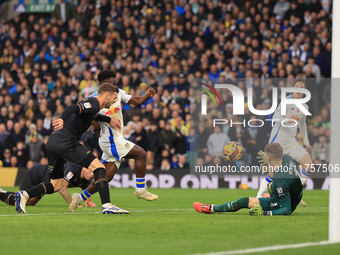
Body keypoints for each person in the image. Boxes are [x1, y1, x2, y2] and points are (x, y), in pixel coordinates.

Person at [14, 83, 129, 214]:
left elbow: (93, 115)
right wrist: (62, 119)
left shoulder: (92, 106)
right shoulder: (94, 103)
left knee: (56, 185)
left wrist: (109, 119)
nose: (115, 101)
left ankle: (24, 195)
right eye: (114, 98)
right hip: (66, 141)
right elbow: (73, 107)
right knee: (99, 168)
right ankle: (107, 205)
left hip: (53, 141)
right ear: (107, 96)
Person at [69, 70, 158, 212]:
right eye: (113, 82)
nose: (116, 84)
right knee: (140, 154)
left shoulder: (118, 92)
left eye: (116, 81)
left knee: (107, 175)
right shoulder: (93, 99)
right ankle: (140, 189)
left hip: (117, 138)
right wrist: (95, 125)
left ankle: (79, 198)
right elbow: (87, 115)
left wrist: (148, 95)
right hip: (110, 140)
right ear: (103, 84)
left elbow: (136, 101)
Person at [193, 143, 303, 216]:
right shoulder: (287, 158)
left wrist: (265, 213)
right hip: (293, 192)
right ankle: (212, 208)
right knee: (269, 187)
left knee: (245, 200)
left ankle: (211, 208)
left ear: (269, 158)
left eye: (266, 156)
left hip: (284, 203)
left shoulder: (280, 182)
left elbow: (287, 209)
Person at [256, 79, 312, 206]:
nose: (299, 89)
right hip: (278, 142)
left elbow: (302, 124)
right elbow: (275, 118)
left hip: (291, 142)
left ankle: (296, 194)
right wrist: (287, 120)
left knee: (308, 164)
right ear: (292, 88)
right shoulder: (286, 102)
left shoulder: (305, 106)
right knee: (272, 174)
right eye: (297, 86)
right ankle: (257, 199)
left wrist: (306, 143)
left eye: (301, 87)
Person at [0, 163, 96, 207]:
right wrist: (72, 203)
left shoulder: (87, 178)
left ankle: (2, 192)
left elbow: (87, 192)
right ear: (85, 167)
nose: (92, 175)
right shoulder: (73, 168)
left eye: (94, 174)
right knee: (19, 201)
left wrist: (88, 202)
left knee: (30, 203)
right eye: (91, 172)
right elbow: (62, 188)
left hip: (45, 183)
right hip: (37, 173)